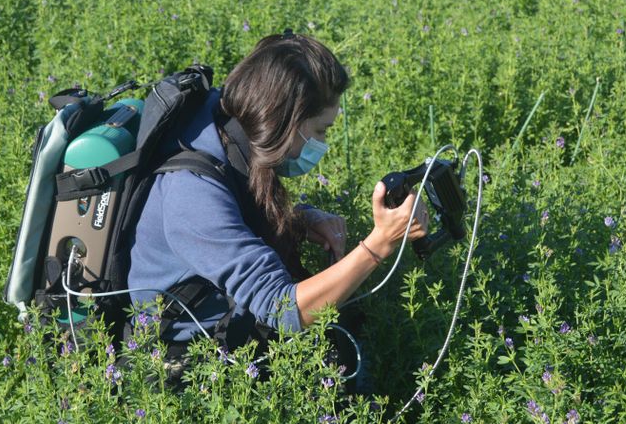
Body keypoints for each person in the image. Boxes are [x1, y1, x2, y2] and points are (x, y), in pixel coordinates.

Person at [128, 30, 428, 382]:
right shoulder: (191, 193)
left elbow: (238, 209)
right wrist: (379, 244)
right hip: (185, 358)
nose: (323, 144)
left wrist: (297, 220)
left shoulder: (231, 125)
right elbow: (284, 309)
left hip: (225, 316)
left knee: (346, 338)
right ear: (285, 121)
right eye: (320, 131)